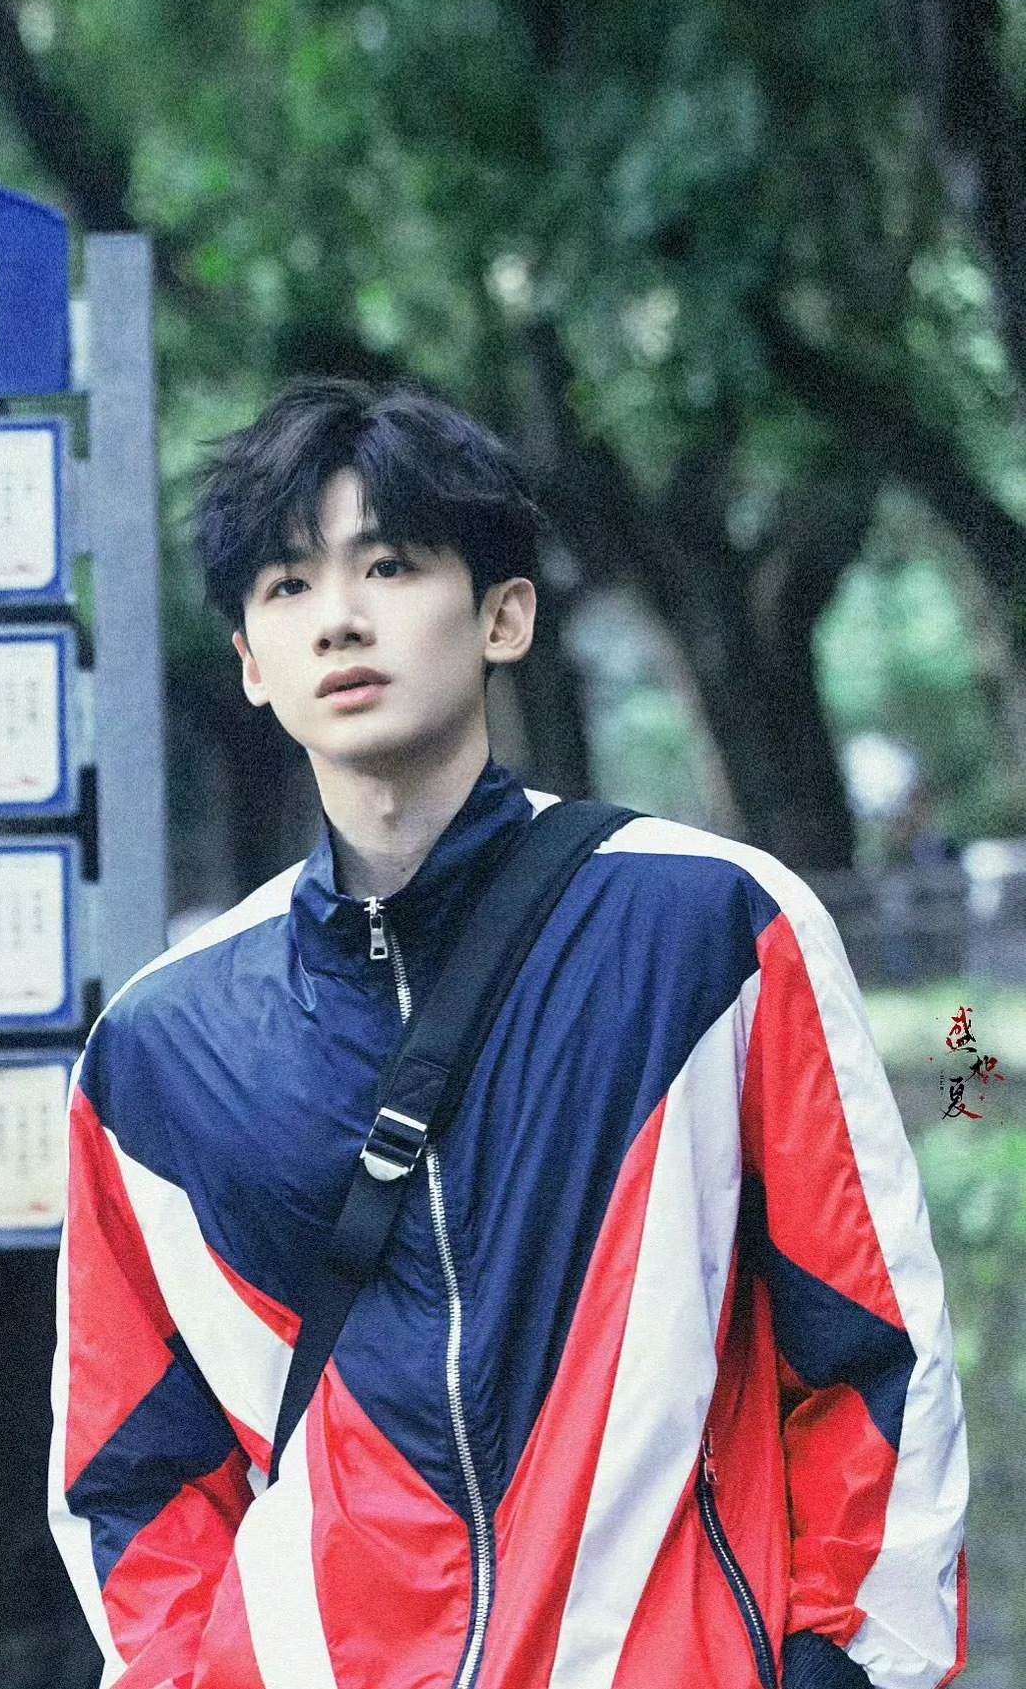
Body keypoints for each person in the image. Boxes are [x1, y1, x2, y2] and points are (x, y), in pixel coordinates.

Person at [49, 379, 968, 1689]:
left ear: (504, 614)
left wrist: (843, 1670)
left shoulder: (713, 931)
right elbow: (130, 1465)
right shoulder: (157, 1051)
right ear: (250, 661)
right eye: (289, 584)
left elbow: (875, 1346)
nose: (340, 616)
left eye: (388, 564)